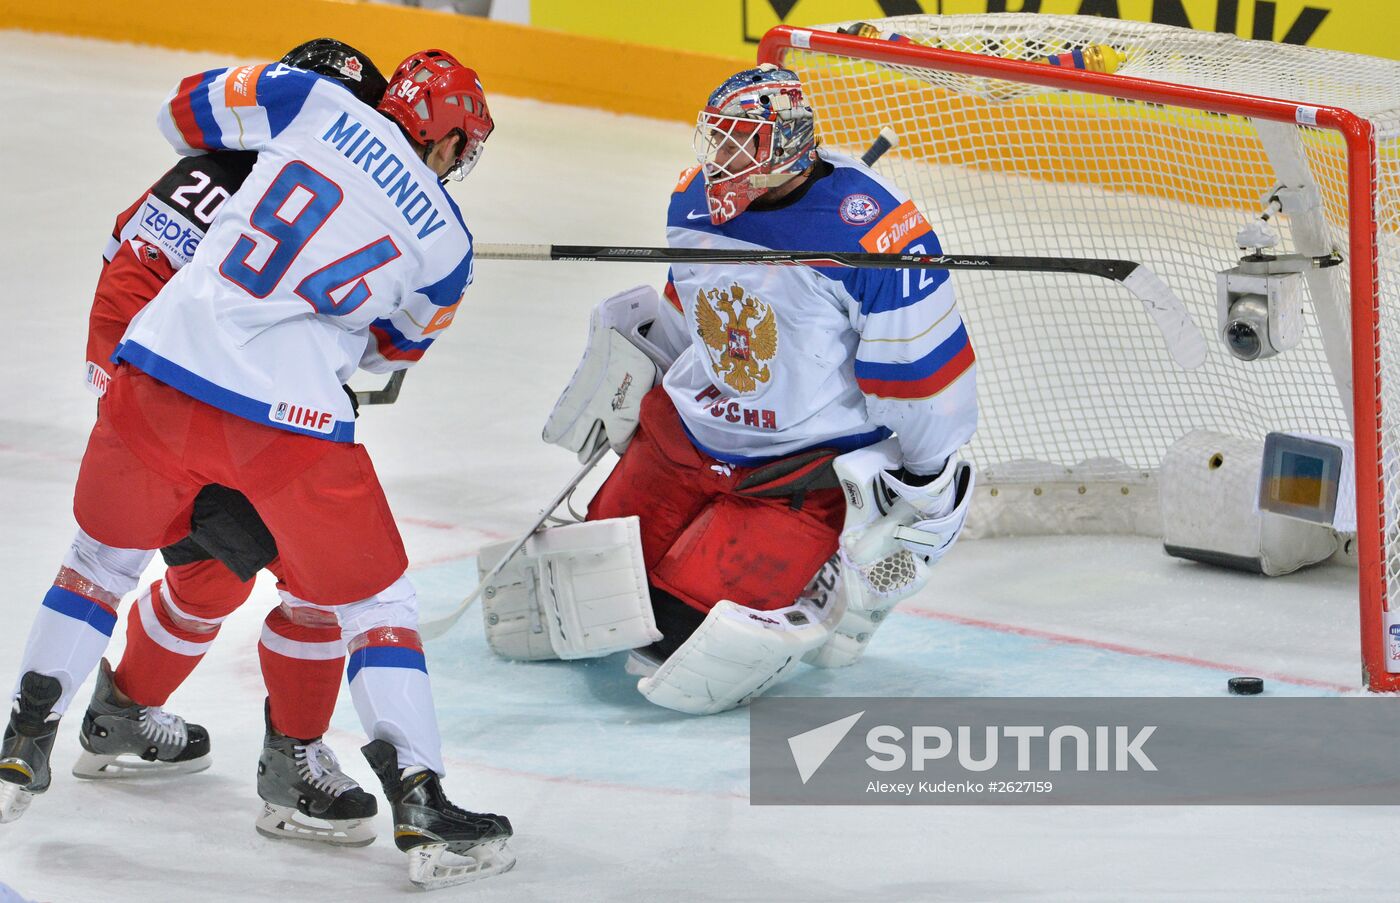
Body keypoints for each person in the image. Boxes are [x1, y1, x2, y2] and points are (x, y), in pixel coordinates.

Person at [2, 48, 510, 888]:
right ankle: (409, 792)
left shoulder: (290, 120)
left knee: (122, 567)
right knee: (348, 594)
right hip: (276, 421)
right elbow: (388, 358)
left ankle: (29, 737)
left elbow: (182, 116)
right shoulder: (443, 236)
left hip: (152, 385)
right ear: (450, 139)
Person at [482, 64, 978, 715]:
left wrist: (928, 485)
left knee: (670, 638)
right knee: (584, 601)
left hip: (792, 474)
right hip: (686, 437)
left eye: (741, 143)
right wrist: (636, 364)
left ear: (790, 150)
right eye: (717, 139)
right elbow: (687, 304)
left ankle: (830, 580)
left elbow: (919, 376)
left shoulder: (876, 236)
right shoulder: (692, 197)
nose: (721, 159)